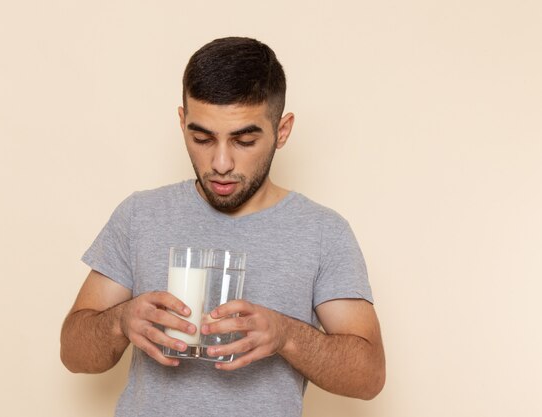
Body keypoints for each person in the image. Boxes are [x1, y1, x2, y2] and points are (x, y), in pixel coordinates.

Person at [60, 36, 385, 417]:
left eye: (244, 140)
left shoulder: (323, 232)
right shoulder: (141, 215)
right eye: (202, 137)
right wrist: (120, 321)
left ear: (282, 131)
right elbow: (74, 354)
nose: (221, 162)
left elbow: (369, 377)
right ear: (182, 122)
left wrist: (286, 335)